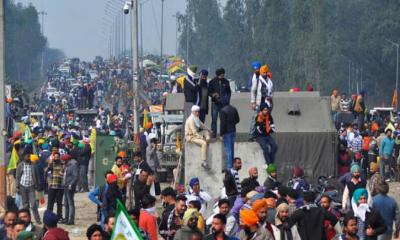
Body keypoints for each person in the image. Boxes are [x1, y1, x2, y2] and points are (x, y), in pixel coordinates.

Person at [16, 152, 42, 224]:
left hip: (31, 186)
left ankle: (38, 219)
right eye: (27, 156)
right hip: (22, 186)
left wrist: (38, 184)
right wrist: (17, 186)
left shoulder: (33, 165)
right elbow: (18, 176)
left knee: (33, 204)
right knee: (25, 205)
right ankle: (27, 220)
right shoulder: (20, 165)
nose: (28, 157)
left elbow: (37, 175)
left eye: (29, 156)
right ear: (24, 157)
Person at [250, 64, 273, 140]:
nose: (265, 74)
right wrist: (253, 102)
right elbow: (253, 91)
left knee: (266, 119)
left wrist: (271, 98)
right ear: (261, 72)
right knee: (256, 118)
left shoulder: (269, 81)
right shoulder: (257, 80)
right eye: (263, 72)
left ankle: (264, 133)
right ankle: (252, 134)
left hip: (267, 103)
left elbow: (271, 91)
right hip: (259, 102)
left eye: (266, 72)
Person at [184, 105, 212, 170]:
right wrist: (202, 138)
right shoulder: (190, 119)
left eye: (198, 112)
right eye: (196, 112)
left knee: (206, 132)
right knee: (203, 143)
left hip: (196, 135)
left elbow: (202, 125)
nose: (197, 113)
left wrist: (209, 130)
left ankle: (207, 140)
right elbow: (194, 132)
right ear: (193, 112)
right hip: (191, 136)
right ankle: (204, 162)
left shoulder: (196, 118)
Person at [208, 68, 231, 138]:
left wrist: (227, 100)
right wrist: (213, 95)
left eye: (223, 74)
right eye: (221, 75)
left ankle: (222, 134)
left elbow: (229, 92)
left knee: (223, 119)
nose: (222, 76)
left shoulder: (226, 82)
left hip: (224, 104)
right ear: (218, 75)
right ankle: (213, 134)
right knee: (214, 119)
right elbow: (209, 92)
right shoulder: (212, 82)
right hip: (215, 103)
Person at [220, 103, 240, 169]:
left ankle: (229, 167)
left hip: (226, 132)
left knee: (228, 151)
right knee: (232, 150)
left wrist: (221, 134)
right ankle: (231, 166)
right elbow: (238, 120)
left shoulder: (223, 111)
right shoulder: (234, 108)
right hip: (233, 131)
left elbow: (222, 124)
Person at [60, 154, 78, 225]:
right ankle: (66, 218)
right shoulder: (67, 165)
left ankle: (71, 219)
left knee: (70, 203)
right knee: (66, 203)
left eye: (63, 160)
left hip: (70, 186)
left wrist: (71, 184)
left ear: (66, 160)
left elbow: (75, 176)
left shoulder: (73, 165)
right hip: (65, 185)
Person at [46, 152, 64, 219]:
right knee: (50, 203)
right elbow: (46, 171)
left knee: (59, 203)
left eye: (57, 157)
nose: (56, 158)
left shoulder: (62, 164)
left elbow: (64, 171)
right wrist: (50, 163)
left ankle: (59, 216)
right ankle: (48, 216)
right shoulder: (51, 164)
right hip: (52, 186)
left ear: (59, 157)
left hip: (60, 186)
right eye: (55, 157)